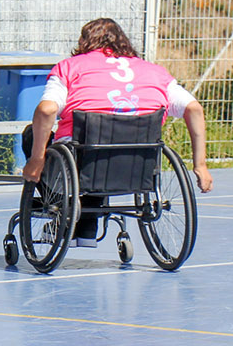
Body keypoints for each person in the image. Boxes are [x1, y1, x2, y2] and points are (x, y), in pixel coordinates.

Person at [21, 17, 213, 244]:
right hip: (136, 164)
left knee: (34, 135)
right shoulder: (156, 73)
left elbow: (46, 110)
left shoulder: (70, 68)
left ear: (84, 42)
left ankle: (66, 211)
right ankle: (87, 223)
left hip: (83, 160)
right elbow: (194, 109)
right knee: (106, 148)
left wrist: (36, 159)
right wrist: (200, 164)